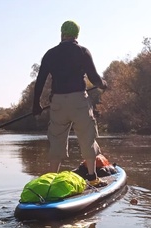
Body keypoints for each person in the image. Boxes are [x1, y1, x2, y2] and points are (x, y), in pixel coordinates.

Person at [32, 20, 108, 187]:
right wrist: (103, 84)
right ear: (76, 35)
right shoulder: (83, 51)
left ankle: (50, 180)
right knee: (87, 137)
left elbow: (40, 82)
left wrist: (36, 105)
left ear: (61, 33)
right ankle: (92, 177)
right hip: (79, 100)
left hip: (58, 102)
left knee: (56, 140)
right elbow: (94, 78)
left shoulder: (50, 54)